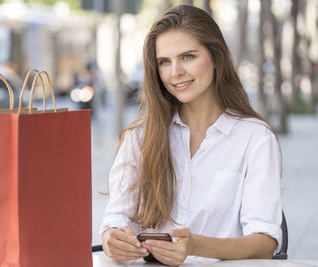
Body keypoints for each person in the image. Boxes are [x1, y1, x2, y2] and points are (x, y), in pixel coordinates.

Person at [100, 4, 282, 266]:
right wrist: (112, 240)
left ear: (216, 57)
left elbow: (265, 243)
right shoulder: (138, 137)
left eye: (188, 57)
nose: (175, 72)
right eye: (164, 61)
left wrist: (195, 246)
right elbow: (114, 221)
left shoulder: (255, 138)